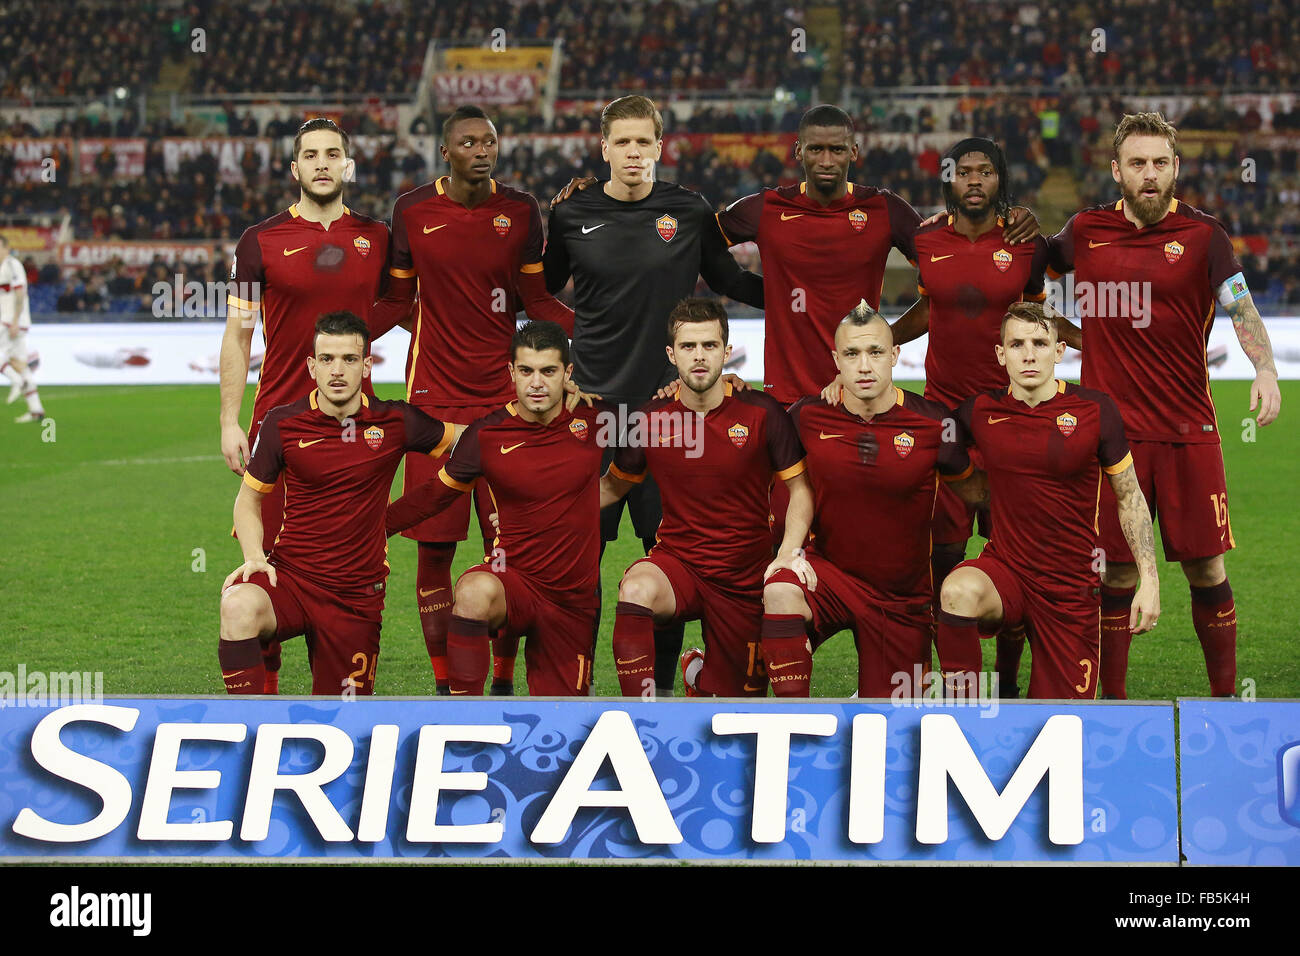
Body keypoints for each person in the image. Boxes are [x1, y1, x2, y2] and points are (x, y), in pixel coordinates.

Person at [1046, 112, 1281, 698]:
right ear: (1116, 170)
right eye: (1137, 164)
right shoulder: (1086, 231)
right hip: (1112, 440)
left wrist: (1267, 368)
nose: (1149, 175)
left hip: (1188, 431)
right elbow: (1032, 270)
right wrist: (1069, 334)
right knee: (1118, 571)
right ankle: (1115, 705)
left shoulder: (1205, 236)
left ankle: (1225, 703)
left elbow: (1241, 308)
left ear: (1175, 168)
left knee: (1206, 567)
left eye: (1159, 163)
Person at [544, 94, 765, 696]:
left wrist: (808, 300)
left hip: (667, 417)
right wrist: (559, 367)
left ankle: (661, 697)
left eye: (645, 142)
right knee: (575, 567)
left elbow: (731, 282)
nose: (634, 153)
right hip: (588, 415)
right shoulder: (570, 214)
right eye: (623, 142)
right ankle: (573, 690)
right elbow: (537, 289)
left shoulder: (688, 210)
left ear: (660, 147)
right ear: (603, 148)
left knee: (669, 559)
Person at [374, 104, 574, 697]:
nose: (481, 150)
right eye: (468, 142)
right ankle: (445, 687)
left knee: (509, 554)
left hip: (504, 408)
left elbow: (536, 300)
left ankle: (505, 680)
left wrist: (602, 341)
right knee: (433, 554)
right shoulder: (412, 211)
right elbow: (394, 301)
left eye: (489, 141)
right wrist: (339, 336)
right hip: (431, 406)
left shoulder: (519, 212)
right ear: (446, 152)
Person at [219, 117, 393, 693]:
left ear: (347, 166)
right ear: (295, 169)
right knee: (258, 571)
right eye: (311, 155)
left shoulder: (380, 238)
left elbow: (421, 313)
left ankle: (341, 683)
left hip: (353, 435)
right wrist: (228, 420)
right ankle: (262, 715)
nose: (322, 163)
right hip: (277, 428)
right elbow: (240, 334)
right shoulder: (259, 241)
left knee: (345, 569)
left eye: (333, 154)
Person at [883, 136, 1058, 697]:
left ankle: (1006, 687)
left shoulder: (1026, 244)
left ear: (999, 178)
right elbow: (930, 308)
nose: (974, 181)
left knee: (1017, 555)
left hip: (1012, 419)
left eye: (986, 171)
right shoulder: (927, 238)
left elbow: (1036, 314)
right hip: (945, 421)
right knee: (944, 554)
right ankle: (954, 679)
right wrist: (879, 339)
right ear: (948, 180)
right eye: (964, 172)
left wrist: (1092, 340)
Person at [218, 312, 458, 696]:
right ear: (312, 366)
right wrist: (253, 557)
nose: (337, 370)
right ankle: (250, 731)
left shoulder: (395, 420)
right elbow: (248, 501)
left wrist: (539, 415)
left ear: (367, 364)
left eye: (349, 359)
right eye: (327, 359)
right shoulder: (282, 424)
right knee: (238, 605)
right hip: (293, 579)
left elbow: (471, 441)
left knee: (341, 715)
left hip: (356, 597)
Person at [938, 303, 1161, 699]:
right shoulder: (980, 411)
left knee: (1062, 719)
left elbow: (1129, 497)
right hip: (1006, 568)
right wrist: (847, 388)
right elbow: (921, 431)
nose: (1028, 354)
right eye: (1017, 344)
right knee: (957, 591)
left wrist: (1150, 580)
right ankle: (963, 715)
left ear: (1059, 351)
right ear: (1000, 354)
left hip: (1070, 586)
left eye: (1040, 343)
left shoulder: (1095, 410)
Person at [769, 302, 986, 697]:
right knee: (780, 592)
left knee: (888, 719)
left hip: (901, 598)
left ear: (896, 356)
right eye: (852, 354)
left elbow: (978, 492)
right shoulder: (806, 416)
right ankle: (791, 725)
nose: (864, 366)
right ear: (836, 360)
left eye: (875, 353)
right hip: (828, 575)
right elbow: (750, 428)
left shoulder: (934, 423)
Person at [601, 298, 811, 697]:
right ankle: (642, 720)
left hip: (745, 575)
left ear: (727, 352)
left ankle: (698, 677)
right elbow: (611, 487)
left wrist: (787, 553)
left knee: (741, 703)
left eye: (710, 346)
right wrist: (538, 512)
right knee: (635, 589)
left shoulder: (762, 412)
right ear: (671, 354)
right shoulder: (649, 419)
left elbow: (801, 488)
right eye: (688, 347)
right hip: (679, 563)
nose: (699, 356)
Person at [384, 320, 605, 696]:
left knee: (563, 722)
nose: (537, 382)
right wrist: (369, 527)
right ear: (511, 373)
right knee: (472, 592)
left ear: (568, 373)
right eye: (527, 371)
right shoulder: (487, 434)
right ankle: (463, 716)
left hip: (572, 600)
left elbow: (661, 430)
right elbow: (434, 495)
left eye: (548, 371)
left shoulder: (597, 418)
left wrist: (722, 385)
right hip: (514, 584)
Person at [0, 235, 44, 423]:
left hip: (12, 320)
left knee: (14, 366)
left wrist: (16, 320)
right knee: (20, 364)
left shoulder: (12, 265)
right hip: (9, 319)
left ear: (7, 248)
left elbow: (20, 293)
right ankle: (36, 410)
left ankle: (16, 381)